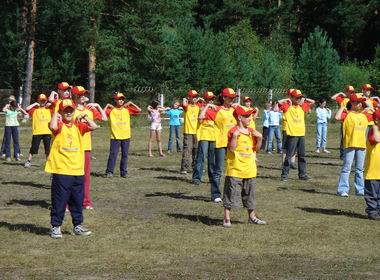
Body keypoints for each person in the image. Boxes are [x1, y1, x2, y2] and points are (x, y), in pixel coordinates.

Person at [45, 99, 99, 238]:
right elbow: (52, 127)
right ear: (61, 112)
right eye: (65, 110)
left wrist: (85, 117)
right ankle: (56, 227)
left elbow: (94, 126)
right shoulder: (59, 125)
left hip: (77, 170)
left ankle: (78, 225)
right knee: (59, 200)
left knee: (77, 200)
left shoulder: (78, 126)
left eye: (71, 110)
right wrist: (55, 115)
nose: (68, 112)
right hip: (62, 170)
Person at [223, 105, 266, 227]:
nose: (250, 117)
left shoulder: (251, 131)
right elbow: (231, 150)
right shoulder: (233, 131)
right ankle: (227, 218)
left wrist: (260, 139)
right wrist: (235, 136)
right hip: (235, 169)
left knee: (250, 195)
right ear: (239, 118)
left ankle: (252, 217)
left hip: (249, 169)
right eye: (247, 116)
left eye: (250, 115)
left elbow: (255, 150)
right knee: (230, 194)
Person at [72, 86, 107, 209]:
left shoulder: (89, 110)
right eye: (80, 94)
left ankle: (86, 202)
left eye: (84, 94)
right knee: (72, 177)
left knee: (85, 177)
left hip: (86, 147)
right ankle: (69, 202)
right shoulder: (70, 110)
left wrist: (97, 106)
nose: (83, 96)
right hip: (74, 148)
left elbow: (104, 119)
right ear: (75, 96)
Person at [335, 93, 373, 197]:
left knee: (360, 169)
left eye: (361, 102)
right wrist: (342, 107)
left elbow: (373, 112)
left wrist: (367, 104)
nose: (361, 104)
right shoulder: (347, 114)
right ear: (352, 103)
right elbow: (337, 117)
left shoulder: (365, 115)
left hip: (361, 145)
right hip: (350, 145)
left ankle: (360, 189)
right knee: (346, 168)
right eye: (359, 102)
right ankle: (342, 189)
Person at [278, 89, 315, 181]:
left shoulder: (302, 107)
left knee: (302, 155)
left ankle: (302, 174)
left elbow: (313, 102)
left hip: (301, 134)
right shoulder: (287, 106)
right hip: (292, 135)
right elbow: (278, 103)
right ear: (292, 97)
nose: (299, 99)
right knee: (289, 155)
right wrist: (288, 100)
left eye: (300, 98)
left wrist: (304, 99)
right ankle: (284, 175)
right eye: (297, 98)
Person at [104, 92, 141, 177]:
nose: (121, 101)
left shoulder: (127, 109)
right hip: (115, 136)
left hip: (126, 136)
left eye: (122, 99)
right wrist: (107, 105)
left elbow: (139, 110)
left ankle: (123, 172)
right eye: (119, 99)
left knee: (125, 155)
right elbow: (103, 115)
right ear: (115, 100)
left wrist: (131, 103)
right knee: (113, 154)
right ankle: (109, 171)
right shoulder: (112, 110)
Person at [212, 88, 238, 203]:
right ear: (223, 98)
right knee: (218, 169)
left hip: (233, 143)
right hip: (221, 143)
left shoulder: (235, 110)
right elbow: (201, 117)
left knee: (232, 169)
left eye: (234, 97)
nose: (232, 99)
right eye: (230, 97)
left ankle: (230, 193)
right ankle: (215, 194)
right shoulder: (217, 109)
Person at [192, 91, 217, 194]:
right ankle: (197, 177)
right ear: (206, 100)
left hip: (213, 136)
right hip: (204, 136)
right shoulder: (202, 107)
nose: (212, 100)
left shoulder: (215, 109)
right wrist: (207, 106)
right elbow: (200, 119)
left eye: (212, 99)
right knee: (201, 156)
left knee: (212, 158)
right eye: (210, 99)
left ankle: (212, 177)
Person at [24, 94, 53, 167]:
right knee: (33, 148)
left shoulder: (49, 109)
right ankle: (28, 161)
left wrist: (49, 103)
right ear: (38, 100)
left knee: (47, 149)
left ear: (46, 101)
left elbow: (56, 105)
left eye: (44, 100)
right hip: (37, 132)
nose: (42, 102)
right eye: (41, 100)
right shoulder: (34, 110)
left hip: (47, 132)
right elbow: (27, 109)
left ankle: (48, 162)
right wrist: (35, 104)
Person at [363, 109, 380, 220]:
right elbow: (376, 139)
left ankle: (378, 210)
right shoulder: (372, 132)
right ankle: (372, 211)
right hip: (373, 171)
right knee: (372, 194)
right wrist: (374, 126)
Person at [331, 85, 356, 159]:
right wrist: (340, 93)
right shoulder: (342, 99)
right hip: (344, 120)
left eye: (352, 92)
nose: (351, 93)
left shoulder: (354, 100)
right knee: (343, 137)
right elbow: (332, 98)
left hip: (352, 120)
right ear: (346, 92)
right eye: (350, 92)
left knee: (352, 136)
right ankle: (342, 154)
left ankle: (351, 153)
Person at [2, 95, 28, 161]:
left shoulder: (16, 110)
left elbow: (25, 113)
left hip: (15, 126)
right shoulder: (7, 109)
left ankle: (16, 156)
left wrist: (20, 108)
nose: (11, 102)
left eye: (12, 101)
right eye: (10, 101)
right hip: (8, 126)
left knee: (16, 141)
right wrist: (6, 106)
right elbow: (3, 110)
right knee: (7, 141)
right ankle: (8, 156)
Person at [180, 90, 200, 174]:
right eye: (193, 97)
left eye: (196, 97)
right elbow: (184, 104)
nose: (195, 98)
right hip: (188, 132)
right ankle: (184, 168)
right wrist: (186, 99)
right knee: (187, 150)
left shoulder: (198, 106)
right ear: (189, 97)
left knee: (196, 150)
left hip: (196, 132)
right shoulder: (187, 106)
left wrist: (200, 100)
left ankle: (195, 167)